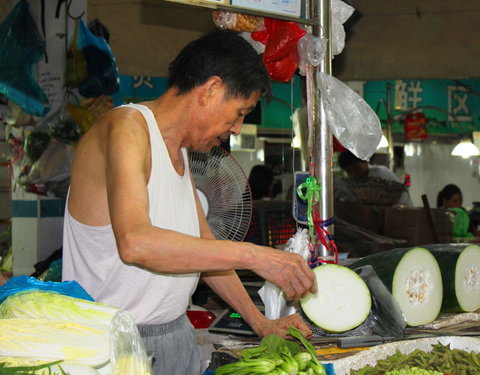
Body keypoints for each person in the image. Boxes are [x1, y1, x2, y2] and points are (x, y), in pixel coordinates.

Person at [62, 29, 316, 375]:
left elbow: (205, 250)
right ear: (211, 89)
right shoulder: (126, 128)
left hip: (173, 336)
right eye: (240, 112)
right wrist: (253, 255)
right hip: (112, 347)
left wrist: (261, 324)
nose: (238, 128)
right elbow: (135, 243)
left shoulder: (181, 151)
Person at [336, 150, 413, 206]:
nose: (353, 173)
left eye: (355, 168)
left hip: (402, 207)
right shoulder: (357, 182)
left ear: (365, 162)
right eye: (349, 171)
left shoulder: (378, 173)